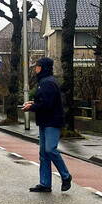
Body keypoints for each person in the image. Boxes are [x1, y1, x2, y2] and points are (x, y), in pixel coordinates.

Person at [22, 57, 73, 192]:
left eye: (37, 66)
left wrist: (31, 107)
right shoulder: (43, 82)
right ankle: (45, 184)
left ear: (43, 67)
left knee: (50, 150)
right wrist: (33, 103)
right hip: (45, 121)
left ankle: (66, 176)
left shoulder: (48, 83)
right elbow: (43, 100)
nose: (35, 68)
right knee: (44, 153)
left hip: (52, 121)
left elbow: (47, 104)